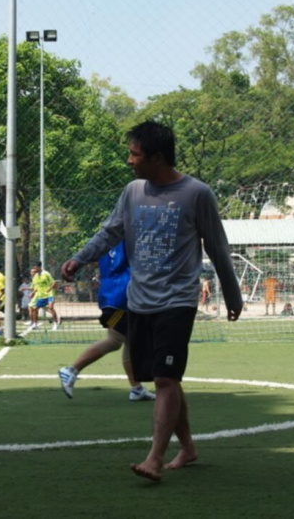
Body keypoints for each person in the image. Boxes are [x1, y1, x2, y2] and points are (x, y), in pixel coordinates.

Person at [61, 121, 242, 482]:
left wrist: (232, 294)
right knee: (166, 377)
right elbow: (110, 231)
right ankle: (188, 447)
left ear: (157, 157)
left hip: (177, 301)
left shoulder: (197, 193)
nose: (129, 161)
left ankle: (155, 458)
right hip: (139, 300)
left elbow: (218, 248)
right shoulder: (132, 192)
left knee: (164, 378)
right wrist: (80, 258)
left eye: (135, 154)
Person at [58, 241, 155, 402]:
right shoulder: (130, 236)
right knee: (116, 339)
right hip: (123, 294)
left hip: (112, 293)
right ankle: (71, 370)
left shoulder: (106, 239)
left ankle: (136, 388)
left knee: (129, 339)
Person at [27, 260, 61, 331]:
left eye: (35, 268)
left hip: (50, 294)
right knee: (35, 308)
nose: (34, 269)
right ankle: (35, 324)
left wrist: (49, 289)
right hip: (41, 295)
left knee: (51, 307)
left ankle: (55, 323)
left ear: (39, 267)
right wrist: (33, 293)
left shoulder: (46, 274)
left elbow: (54, 282)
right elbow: (36, 286)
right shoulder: (35, 276)